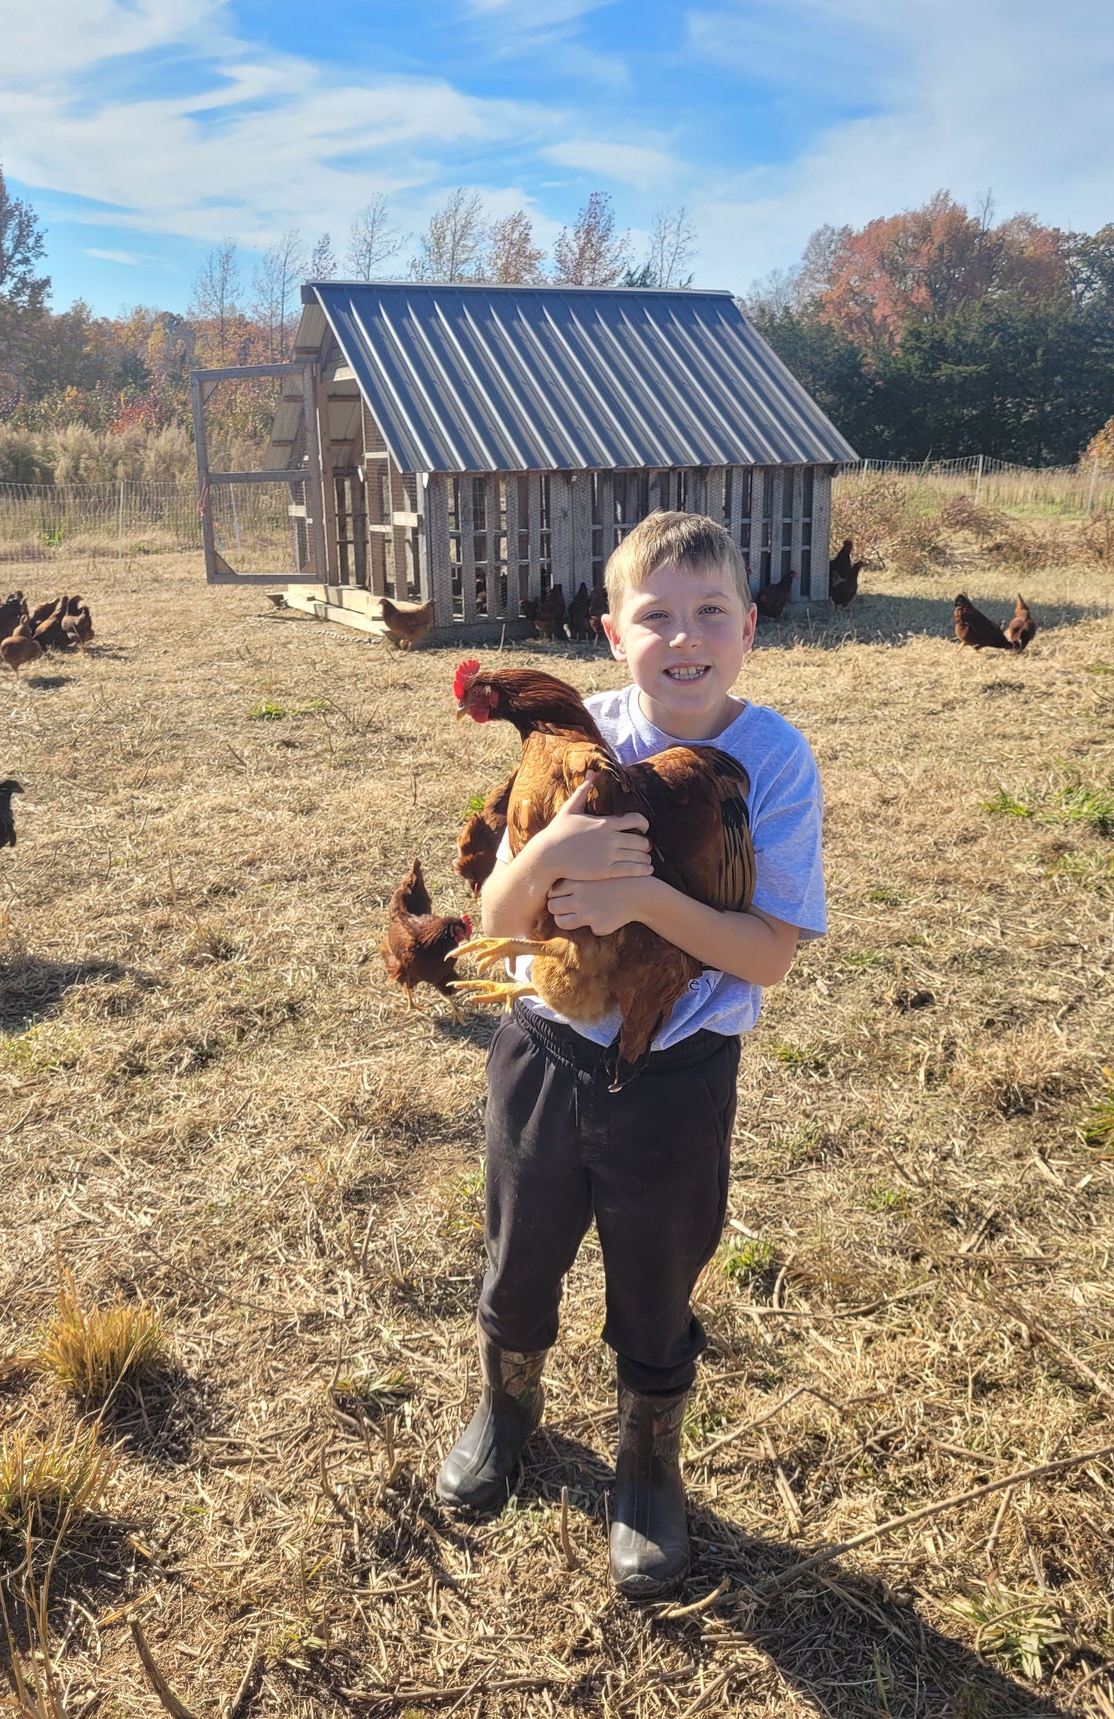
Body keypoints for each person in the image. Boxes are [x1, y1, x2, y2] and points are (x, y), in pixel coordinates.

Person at [436, 510, 827, 1598]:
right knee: (517, 1259)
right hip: (544, 1055)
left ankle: (647, 1466)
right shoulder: (566, 742)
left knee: (657, 1280)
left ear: (747, 627)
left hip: (677, 1076)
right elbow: (496, 923)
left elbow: (766, 954)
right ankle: (506, 1408)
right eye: (656, 614)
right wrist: (556, 851)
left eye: (710, 612)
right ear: (613, 631)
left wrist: (644, 893)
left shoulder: (770, 759)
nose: (684, 635)